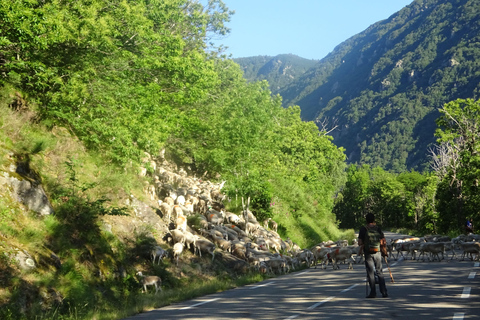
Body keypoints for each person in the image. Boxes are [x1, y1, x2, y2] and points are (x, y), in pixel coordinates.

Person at [358, 212, 388, 298]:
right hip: (377, 252)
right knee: (379, 271)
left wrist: (364, 244)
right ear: (374, 220)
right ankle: (384, 291)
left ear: (366, 220)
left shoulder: (363, 229)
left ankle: (373, 292)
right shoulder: (378, 228)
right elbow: (383, 240)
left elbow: (360, 242)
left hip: (368, 253)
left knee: (370, 272)